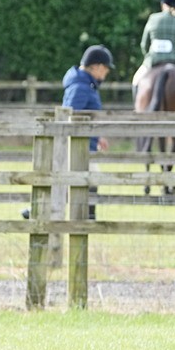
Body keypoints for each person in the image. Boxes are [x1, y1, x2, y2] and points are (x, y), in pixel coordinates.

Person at [62, 44, 113, 222]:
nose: (107, 72)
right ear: (97, 66)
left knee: (85, 180)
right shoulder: (81, 87)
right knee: (91, 179)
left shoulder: (86, 85)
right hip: (78, 144)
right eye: (105, 68)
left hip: (85, 142)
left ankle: (86, 219)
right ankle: (87, 220)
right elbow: (70, 115)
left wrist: (98, 136)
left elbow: (88, 116)